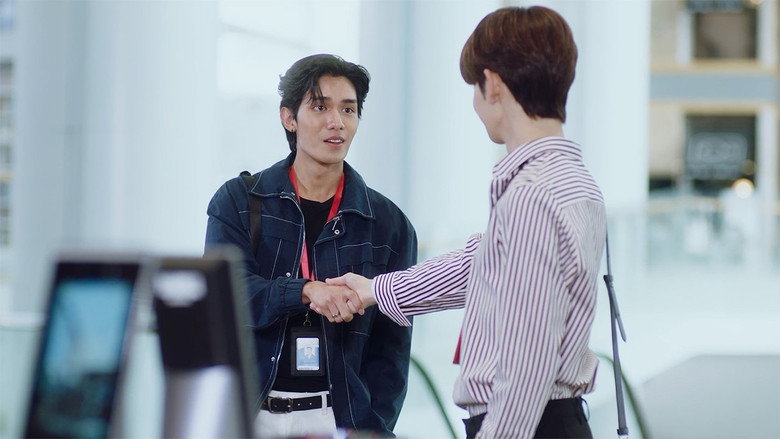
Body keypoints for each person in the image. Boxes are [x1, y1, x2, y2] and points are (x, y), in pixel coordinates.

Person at [324, 6, 605, 439]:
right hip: (556, 421)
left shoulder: (531, 195)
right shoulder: (572, 181)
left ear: (492, 84)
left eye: (475, 87)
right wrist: (374, 291)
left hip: (526, 425)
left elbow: (528, 364)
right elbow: (479, 267)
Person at [205, 54, 417, 438]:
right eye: (320, 107)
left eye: (348, 109)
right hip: (251, 417)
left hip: (338, 421)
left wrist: (372, 428)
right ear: (289, 118)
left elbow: (393, 349)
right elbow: (227, 295)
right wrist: (304, 290)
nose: (337, 122)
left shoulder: (389, 224)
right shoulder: (239, 201)